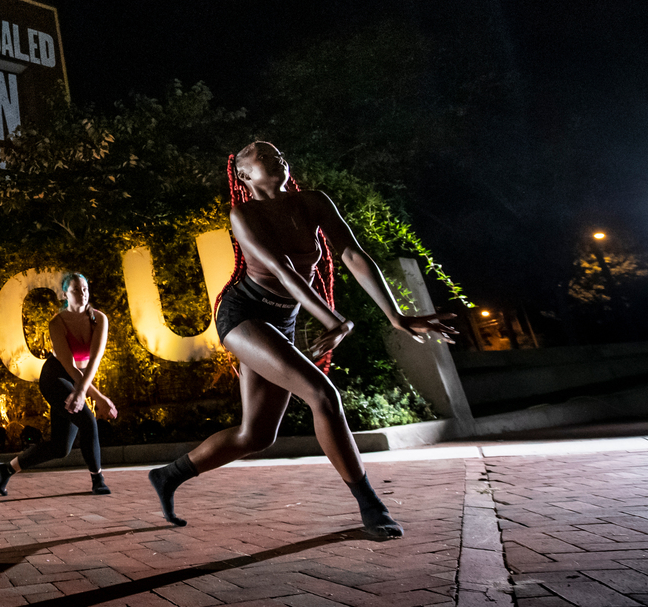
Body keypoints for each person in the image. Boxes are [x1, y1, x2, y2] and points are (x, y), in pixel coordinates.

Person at [148, 142, 457, 535]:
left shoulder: (313, 202)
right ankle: (371, 507)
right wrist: (332, 320)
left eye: (279, 154)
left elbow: (352, 255)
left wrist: (395, 316)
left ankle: (168, 475)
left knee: (256, 435)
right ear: (244, 174)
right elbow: (283, 271)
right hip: (244, 316)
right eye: (264, 155)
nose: (277, 158)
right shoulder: (244, 214)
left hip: (283, 319)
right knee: (322, 394)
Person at [0, 272, 118, 496]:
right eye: (75, 290)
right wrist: (90, 396)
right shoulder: (57, 323)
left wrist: (89, 393)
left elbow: (94, 360)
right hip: (55, 377)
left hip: (78, 378)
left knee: (61, 448)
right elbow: (68, 365)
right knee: (88, 421)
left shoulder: (99, 319)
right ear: (64, 294)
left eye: (85, 289)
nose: (82, 293)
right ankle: (97, 479)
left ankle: (8, 468)